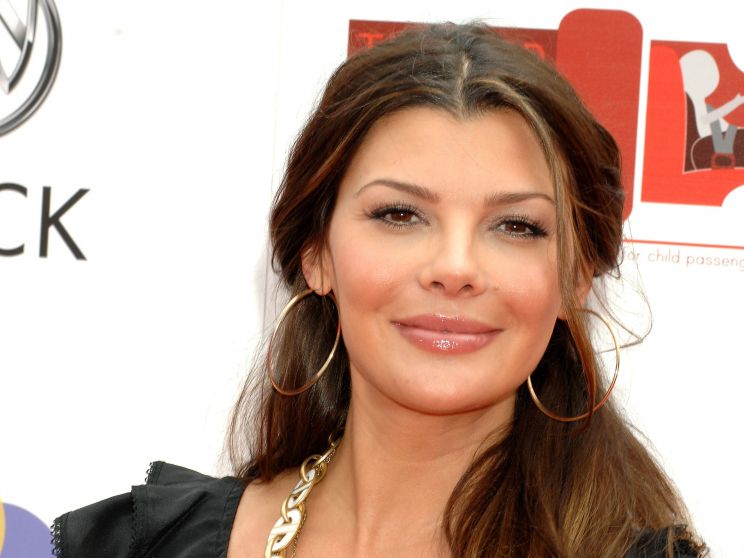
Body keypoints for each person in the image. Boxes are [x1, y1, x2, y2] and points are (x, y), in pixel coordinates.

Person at [53, 23, 706, 558]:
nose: (455, 267)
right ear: (316, 253)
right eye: (400, 214)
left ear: (575, 280)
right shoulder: (136, 545)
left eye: (516, 225)